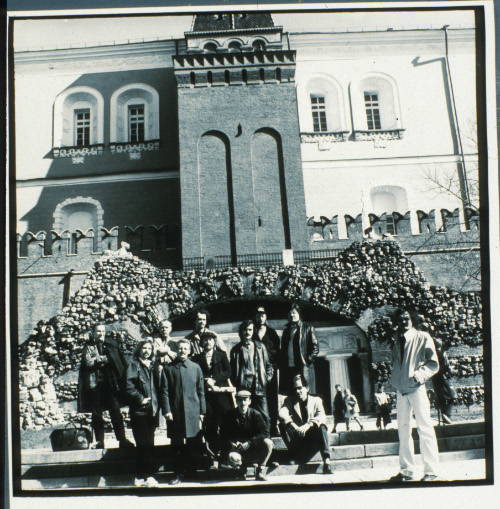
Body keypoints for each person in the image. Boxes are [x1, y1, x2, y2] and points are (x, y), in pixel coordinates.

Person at [389, 308, 440, 482]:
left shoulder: (423, 337)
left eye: (407, 318)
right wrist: (395, 380)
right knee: (403, 429)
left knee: (425, 428)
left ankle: (431, 471)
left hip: (417, 388)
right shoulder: (397, 339)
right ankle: (406, 471)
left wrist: (418, 376)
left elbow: (433, 363)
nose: (404, 321)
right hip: (401, 389)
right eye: (400, 319)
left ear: (412, 319)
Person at [77, 323, 134, 449]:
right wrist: (103, 359)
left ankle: (122, 440)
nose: (101, 333)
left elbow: (117, 360)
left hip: (110, 385)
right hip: (95, 385)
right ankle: (99, 441)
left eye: (102, 331)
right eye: (98, 331)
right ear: (93, 332)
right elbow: (87, 362)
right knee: (97, 414)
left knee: (116, 413)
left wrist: (100, 359)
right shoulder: (89, 346)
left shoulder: (111, 344)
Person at [160, 338, 206, 485]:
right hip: (176, 412)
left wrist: (202, 412)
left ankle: (192, 472)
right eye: (180, 348)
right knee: (177, 445)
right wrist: (167, 410)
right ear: (176, 349)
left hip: (193, 412)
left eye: (185, 348)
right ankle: (177, 474)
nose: (182, 351)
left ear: (190, 350)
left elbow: (201, 391)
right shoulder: (168, 368)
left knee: (194, 443)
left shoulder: (196, 368)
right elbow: (164, 392)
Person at [192, 331, 235, 465]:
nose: (208, 342)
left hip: (222, 396)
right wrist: (206, 381)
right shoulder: (196, 358)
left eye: (210, 340)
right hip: (207, 397)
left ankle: (225, 457)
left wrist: (214, 379)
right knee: (210, 425)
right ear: (202, 343)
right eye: (205, 340)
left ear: (214, 342)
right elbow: (195, 375)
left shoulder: (221, 356)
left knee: (225, 424)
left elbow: (228, 371)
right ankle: (212, 457)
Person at [278, 374, 332, 474]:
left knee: (322, 427)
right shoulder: (290, 400)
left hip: (312, 439)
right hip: (298, 438)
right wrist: (292, 424)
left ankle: (327, 462)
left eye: (300, 388)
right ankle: (294, 454)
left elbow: (322, 416)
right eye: (295, 389)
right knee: (282, 424)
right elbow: (282, 412)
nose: (297, 392)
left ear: (307, 388)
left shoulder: (316, 400)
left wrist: (308, 425)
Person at [124, 341, 160, 487]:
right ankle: (148, 476)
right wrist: (140, 399)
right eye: (144, 348)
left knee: (149, 443)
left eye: (149, 348)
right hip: (139, 410)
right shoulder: (133, 364)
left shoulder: (153, 365)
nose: (147, 351)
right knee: (143, 443)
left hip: (152, 410)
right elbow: (128, 385)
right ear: (139, 350)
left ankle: (139, 476)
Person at [220, 389, 273, 481]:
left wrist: (250, 443)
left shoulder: (256, 415)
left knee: (268, 443)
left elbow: (265, 432)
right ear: (236, 401)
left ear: (249, 401)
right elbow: (223, 434)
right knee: (232, 456)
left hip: (253, 449)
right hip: (237, 450)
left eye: (245, 400)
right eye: (240, 400)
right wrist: (231, 442)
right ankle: (240, 470)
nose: (242, 403)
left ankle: (260, 471)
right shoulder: (230, 415)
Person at [230, 320, 273, 425]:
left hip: (259, 385)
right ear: (241, 332)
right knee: (245, 415)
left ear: (253, 331)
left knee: (264, 416)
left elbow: (269, 366)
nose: (247, 332)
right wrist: (236, 382)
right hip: (243, 387)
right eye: (245, 330)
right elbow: (232, 370)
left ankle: (266, 439)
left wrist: (266, 379)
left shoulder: (260, 346)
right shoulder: (235, 350)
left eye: (250, 329)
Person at [279, 304, 319, 396]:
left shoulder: (308, 328)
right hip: (288, 367)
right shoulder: (286, 331)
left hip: (301, 366)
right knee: (290, 393)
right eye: (290, 313)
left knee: (303, 392)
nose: (292, 315)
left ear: (299, 314)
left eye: (294, 313)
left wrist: (307, 361)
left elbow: (315, 348)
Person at [253, 306, 281, 436]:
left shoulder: (272, 333)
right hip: (255, 371)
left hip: (270, 370)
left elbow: (277, 351)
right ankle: (260, 427)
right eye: (258, 316)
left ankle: (274, 426)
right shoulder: (251, 331)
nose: (260, 318)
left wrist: (272, 367)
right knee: (258, 398)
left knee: (272, 398)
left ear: (266, 317)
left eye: (262, 315)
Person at [432, 338, 457, 425]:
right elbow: (446, 366)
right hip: (443, 378)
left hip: (438, 378)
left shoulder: (437, 352)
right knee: (450, 396)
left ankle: (445, 416)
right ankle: (446, 416)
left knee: (442, 398)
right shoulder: (441, 352)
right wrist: (451, 371)